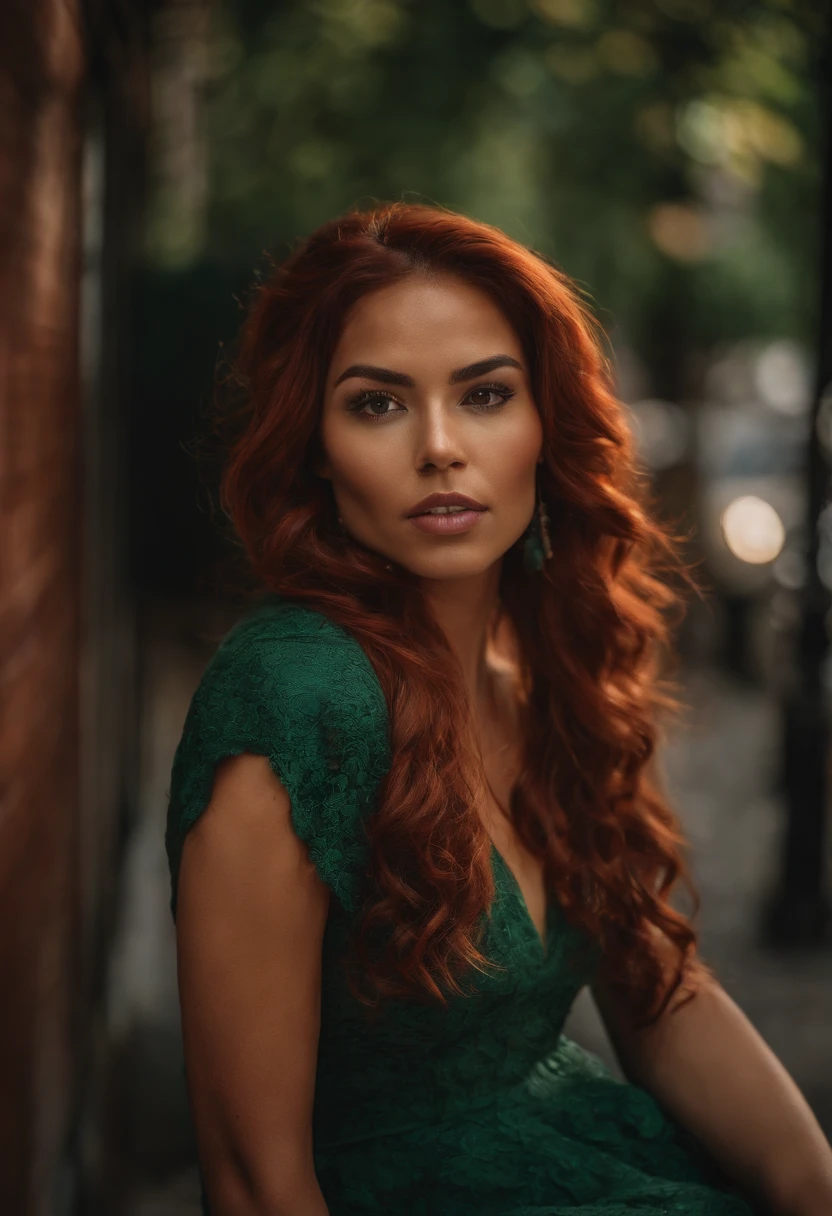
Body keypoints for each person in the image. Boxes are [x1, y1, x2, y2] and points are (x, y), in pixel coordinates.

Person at [165, 202, 832, 1216]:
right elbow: (255, 1180)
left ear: (543, 424)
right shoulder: (295, 697)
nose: (439, 446)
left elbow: (660, 994)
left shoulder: (556, 679)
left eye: (484, 394)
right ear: (312, 445)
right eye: (377, 405)